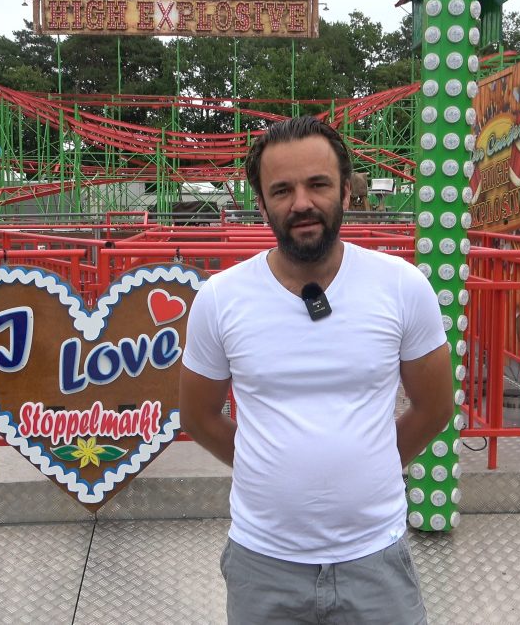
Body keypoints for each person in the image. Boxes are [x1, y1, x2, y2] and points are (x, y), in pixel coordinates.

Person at [179, 115, 453, 624]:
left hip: (375, 554)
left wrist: (372, 463)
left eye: (318, 184)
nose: (301, 203)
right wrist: (266, 466)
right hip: (263, 561)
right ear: (261, 204)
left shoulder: (401, 286)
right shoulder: (220, 299)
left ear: (346, 191)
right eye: (281, 190)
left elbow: (434, 407)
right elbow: (198, 415)